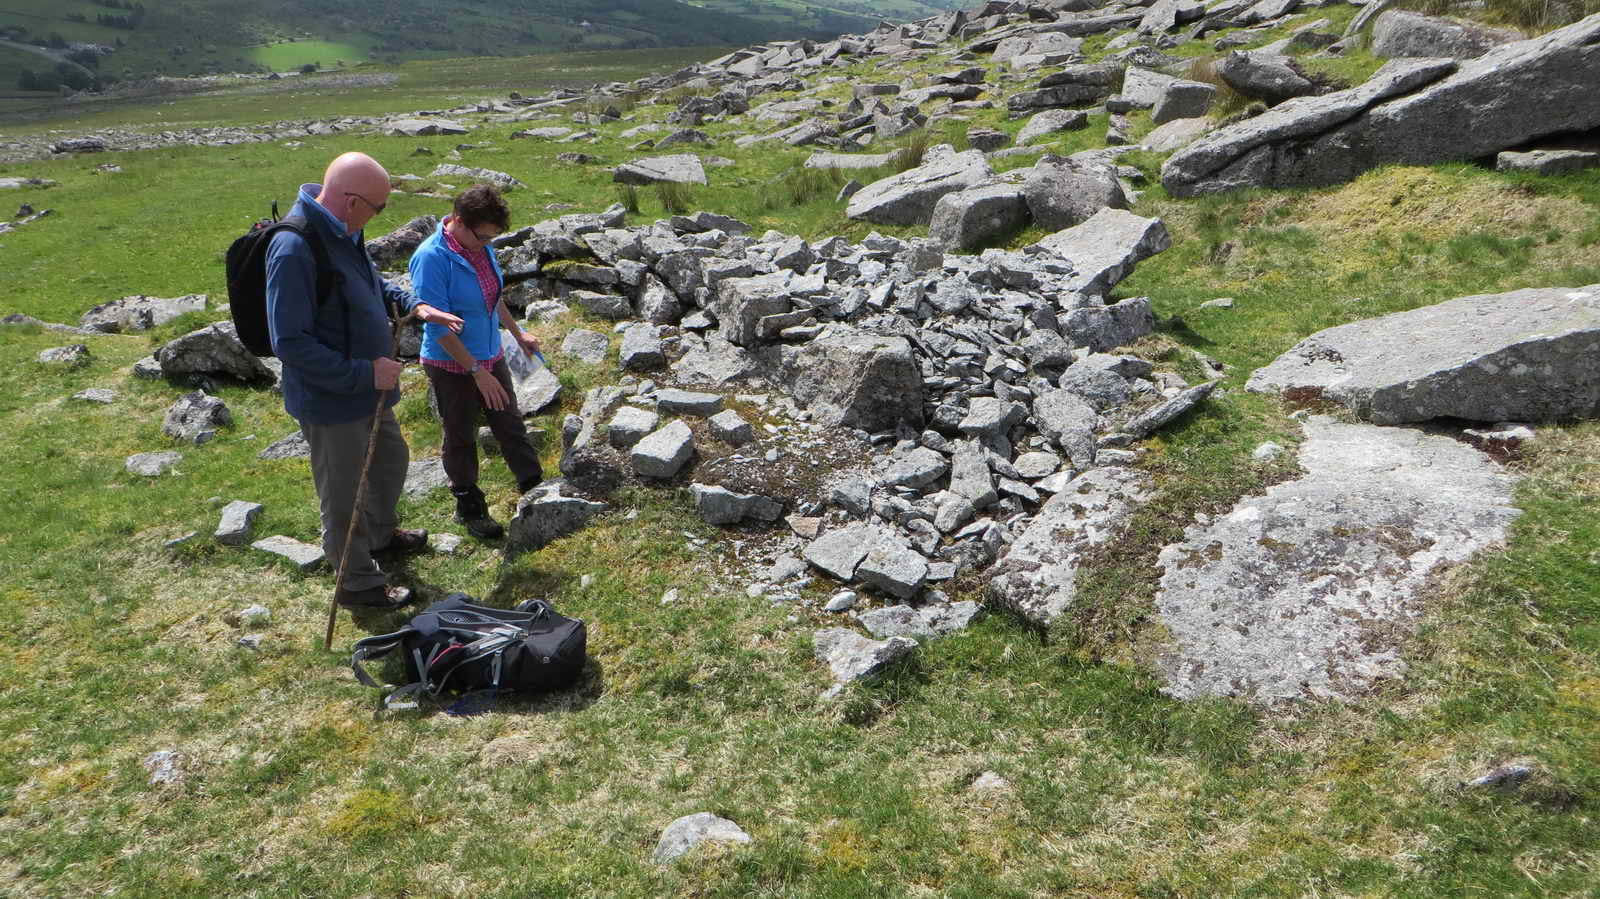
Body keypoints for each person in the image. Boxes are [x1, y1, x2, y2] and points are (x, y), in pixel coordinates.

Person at [265, 152, 462, 609]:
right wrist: (365, 372)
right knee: (343, 495)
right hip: (332, 399)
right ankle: (356, 583)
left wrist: (414, 305)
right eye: (379, 208)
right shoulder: (295, 248)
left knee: (391, 460)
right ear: (352, 201)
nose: (378, 216)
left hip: (369, 393)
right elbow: (289, 341)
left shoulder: (342, 230)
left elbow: (370, 284)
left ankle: (378, 536)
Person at [409, 183, 544, 540]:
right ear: (458, 220)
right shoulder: (431, 258)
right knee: (460, 434)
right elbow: (437, 327)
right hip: (450, 364)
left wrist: (518, 334)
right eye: (482, 236)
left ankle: (535, 488)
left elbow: (492, 296)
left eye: (491, 238)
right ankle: (469, 506)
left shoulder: (481, 248)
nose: (486, 243)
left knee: (509, 421)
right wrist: (477, 372)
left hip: (489, 352)